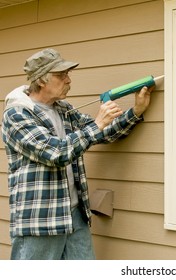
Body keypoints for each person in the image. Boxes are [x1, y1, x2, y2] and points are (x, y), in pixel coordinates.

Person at [1, 48, 152, 260]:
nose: (68, 80)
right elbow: (56, 152)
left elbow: (101, 133)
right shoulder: (17, 114)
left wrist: (136, 111)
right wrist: (98, 124)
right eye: (61, 75)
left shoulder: (63, 109)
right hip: (40, 220)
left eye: (68, 74)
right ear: (42, 80)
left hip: (74, 214)